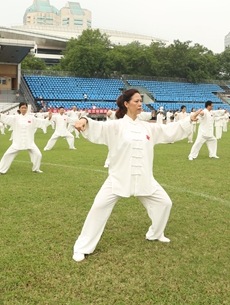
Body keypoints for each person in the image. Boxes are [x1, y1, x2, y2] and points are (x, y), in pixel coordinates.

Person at [71, 89, 201, 262]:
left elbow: (168, 131)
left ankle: (155, 234)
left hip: (144, 178)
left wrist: (188, 121)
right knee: (98, 207)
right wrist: (84, 120)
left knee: (164, 203)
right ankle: (82, 248)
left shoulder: (147, 127)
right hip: (118, 178)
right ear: (126, 104)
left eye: (141, 101)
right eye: (136, 101)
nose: (140, 104)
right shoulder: (115, 126)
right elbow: (98, 127)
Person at [0, 102, 49, 176]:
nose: (24, 109)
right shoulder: (15, 118)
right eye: (22, 107)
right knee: (7, 155)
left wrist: (49, 118)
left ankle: (36, 169)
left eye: (25, 108)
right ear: (19, 109)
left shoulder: (31, 118)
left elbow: (41, 122)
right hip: (17, 142)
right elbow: (6, 118)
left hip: (29, 142)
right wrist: (0, 115)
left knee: (38, 155)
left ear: (27, 108)